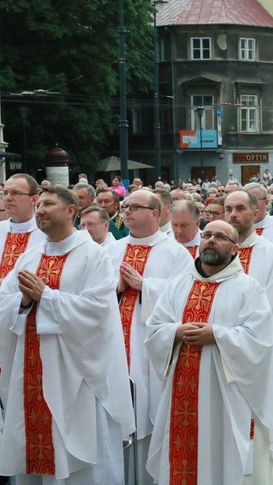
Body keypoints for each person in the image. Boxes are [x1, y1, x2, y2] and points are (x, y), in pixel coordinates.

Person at [0, 186, 135, 482]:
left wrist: (46, 296)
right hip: (30, 373)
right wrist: (22, 302)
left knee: (79, 464)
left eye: (48, 204)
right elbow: (2, 302)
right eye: (38, 206)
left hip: (76, 377)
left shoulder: (94, 256)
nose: (40, 211)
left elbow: (98, 312)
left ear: (71, 211)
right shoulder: (30, 257)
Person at [144, 220, 273, 483]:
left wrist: (217, 334)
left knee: (220, 455)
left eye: (220, 237)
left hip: (225, 394)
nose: (211, 240)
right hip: (180, 389)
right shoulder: (178, 284)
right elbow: (154, 328)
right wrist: (176, 332)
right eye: (207, 235)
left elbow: (260, 341)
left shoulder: (248, 287)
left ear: (234, 249)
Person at [107, 190, 193, 485]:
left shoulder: (175, 253)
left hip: (149, 349)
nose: (126, 212)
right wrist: (116, 289)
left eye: (134, 207)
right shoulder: (112, 250)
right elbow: (93, 294)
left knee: (148, 413)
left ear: (156, 214)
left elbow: (184, 299)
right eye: (125, 206)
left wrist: (146, 286)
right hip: (114, 344)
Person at [223, 189, 273, 482]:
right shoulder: (217, 251)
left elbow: (270, 308)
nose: (233, 215)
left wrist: (228, 332)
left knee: (259, 434)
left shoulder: (268, 252)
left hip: (258, 356)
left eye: (240, 208)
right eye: (228, 209)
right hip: (220, 356)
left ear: (254, 212)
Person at [0, 174, 46, 289]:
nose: (8, 198)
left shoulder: (46, 234)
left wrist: (6, 285)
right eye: (5, 193)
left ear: (34, 199)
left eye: (15, 193)